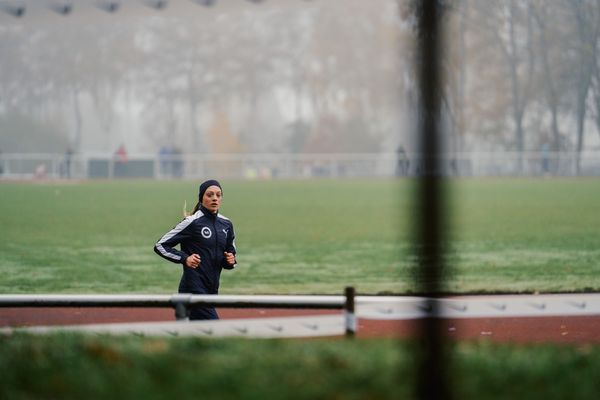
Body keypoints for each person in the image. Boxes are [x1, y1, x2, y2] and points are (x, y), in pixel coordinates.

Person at [153, 179, 237, 320]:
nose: (214, 198)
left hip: (212, 289)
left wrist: (230, 260)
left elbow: (231, 254)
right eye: (209, 195)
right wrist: (185, 258)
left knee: (197, 334)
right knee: (214, 328)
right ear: (201, 198)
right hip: (193, 288)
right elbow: (160, 246)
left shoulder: (226, 224)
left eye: (218, 195)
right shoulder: (192, 222)